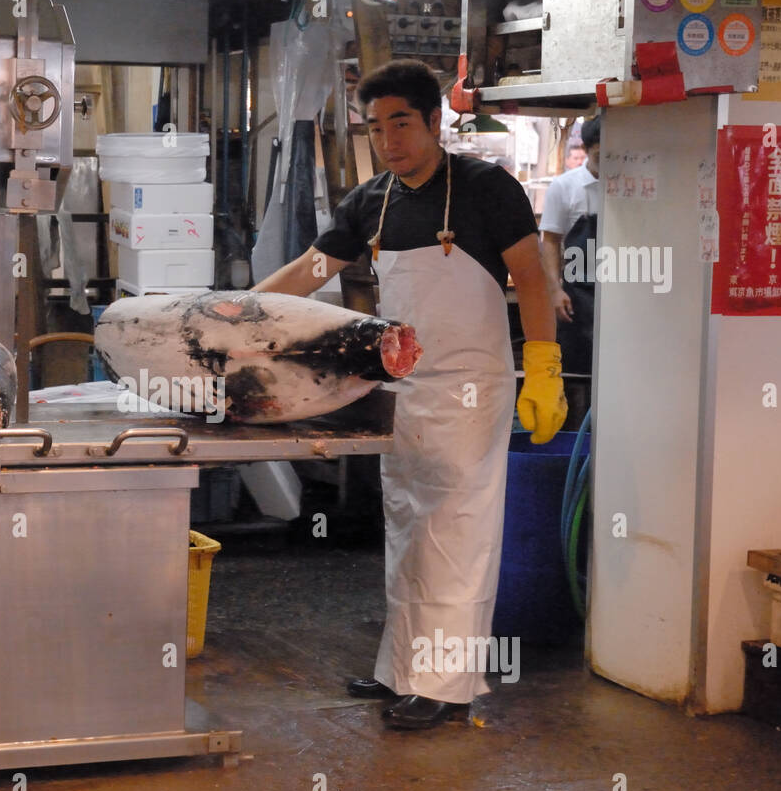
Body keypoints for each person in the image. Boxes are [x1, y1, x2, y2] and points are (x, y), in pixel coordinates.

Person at [255, 59, 566, 730]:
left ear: (433, 121)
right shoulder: (372, 200)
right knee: (408, 528)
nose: (388, 138)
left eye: (401, 122)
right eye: (375, 126)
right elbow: (315, 268)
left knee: (455, 531)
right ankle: (400, 671)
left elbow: (531, 276)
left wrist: (543, 363)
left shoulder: (487, 188)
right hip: (401, 386)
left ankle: (448, 688)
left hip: (468, 387)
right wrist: (241, 311)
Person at [540, 116, 601, 389]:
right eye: (601, 154)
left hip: (623, 290)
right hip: (577, 295)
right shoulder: (565, 186)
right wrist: (554, 290)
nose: (608, 161)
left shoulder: (631, 184)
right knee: (576, 377)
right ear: (586, 149)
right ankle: (577, 432)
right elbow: (551, 241)